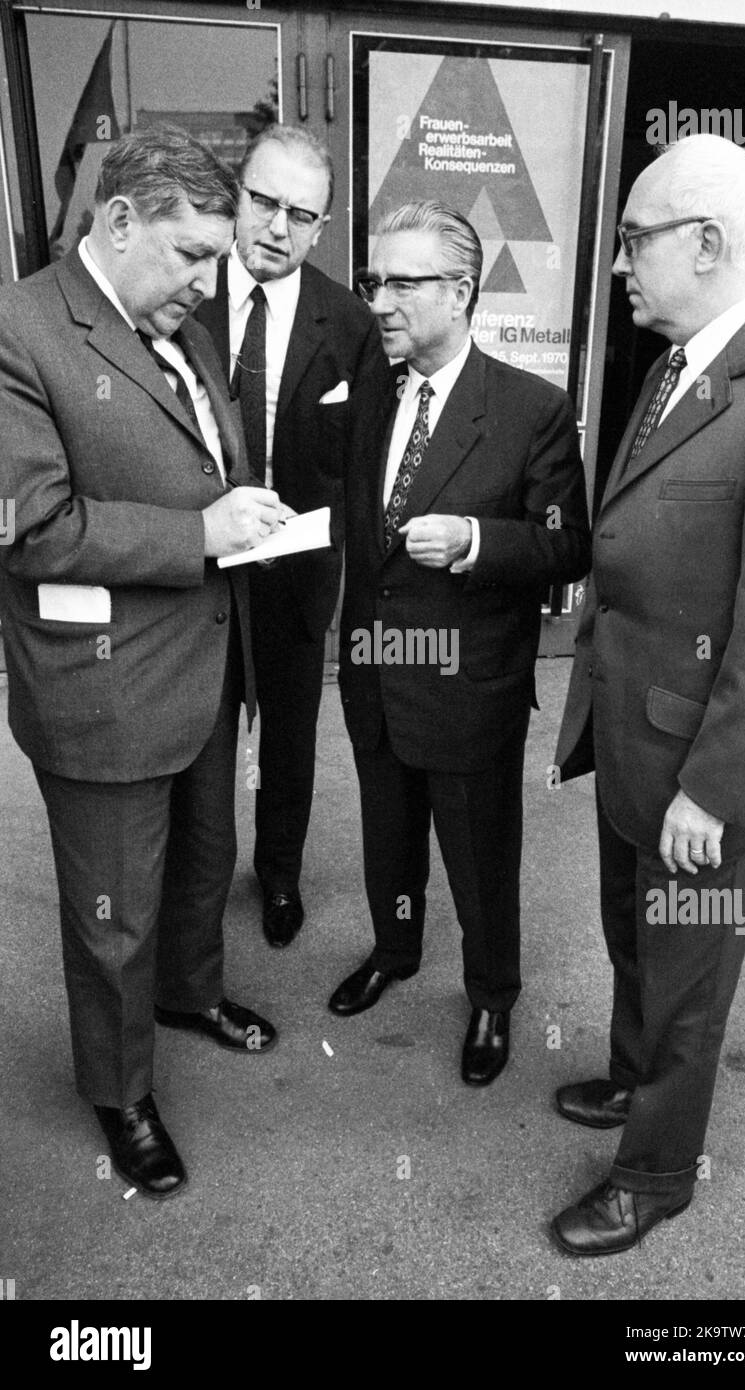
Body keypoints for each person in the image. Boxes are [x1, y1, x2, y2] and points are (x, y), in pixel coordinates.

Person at [0, 128, 289, 1200]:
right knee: (113, 911)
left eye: (217, 256)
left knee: (205, 862)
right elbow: (28, 527)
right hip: (104, 685)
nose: (210, 282)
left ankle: (192, 992)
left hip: (207, 666)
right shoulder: (18, 328)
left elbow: (202, 460)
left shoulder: (182, 325)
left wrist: (244, 514)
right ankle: (121, 1091)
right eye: (193, 255)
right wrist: (203, 535)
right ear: (118, 223)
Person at [552, 133, 745, 1255]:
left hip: (708, 769)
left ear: (707, 243)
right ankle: (629, 1072)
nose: (619, 262)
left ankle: (656, 1172)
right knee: (635, 934)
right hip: (636, 733)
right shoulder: (677, 360)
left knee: (689, 970)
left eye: (633, 239)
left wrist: (715, 789)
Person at [329, 201, 590, 1086]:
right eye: (376, 282)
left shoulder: (531, 410)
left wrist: (479, 542)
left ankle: (490, 996)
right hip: (377, 676)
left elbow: (566, 544)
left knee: (480, 857)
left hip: (468, 685)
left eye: (404, 283)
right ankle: (395, 950)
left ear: (463, 291)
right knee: (387, 834)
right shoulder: (374, 391)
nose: (382, 301)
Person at [197, 124, 386, 948]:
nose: (277, 226)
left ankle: (280, 874)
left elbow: (366, 458)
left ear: (320, 228)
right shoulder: (182, 296)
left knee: (290, 736)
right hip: (196, 568)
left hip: (298, 570)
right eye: (264, 202)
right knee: (199, 735)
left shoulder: (350, 322)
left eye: (299, 214)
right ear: (237, 198)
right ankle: (194, 886)